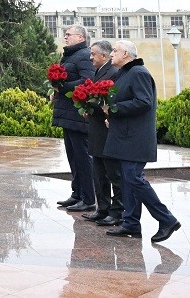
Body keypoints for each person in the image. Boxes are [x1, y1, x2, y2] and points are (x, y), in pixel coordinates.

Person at [103, 40, 183, 243]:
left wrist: (115, 109)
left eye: (115, 50)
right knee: (128, 179)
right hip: (126, 136)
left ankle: (167, 219)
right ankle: (131, 223)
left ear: (127, 54)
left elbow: (144, 102)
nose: (111, 54)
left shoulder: (139, 73)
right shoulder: (124, 73)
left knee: (134, 179)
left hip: (135, 138)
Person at [53, 24, 96, 212]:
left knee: (82, 157)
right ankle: (77, 193)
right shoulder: (69, 55)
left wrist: (62, 87)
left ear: (80, 37)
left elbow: (88, 81)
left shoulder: (85, 55)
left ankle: (88, 198)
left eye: (69, 34)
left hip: (78, 114)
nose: (65, 37)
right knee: (72, 156)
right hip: (67, 112)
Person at [82, 39, 123, 226]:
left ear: (104, 56)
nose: (90, 58)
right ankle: (102, 208)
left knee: (111, 173)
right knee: (98, 172)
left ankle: (116, 212)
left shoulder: (112, 73)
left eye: (93, 54)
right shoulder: (99, 71)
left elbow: (111, 101)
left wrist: (92, 106)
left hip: (106, 131)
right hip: (96, 129)